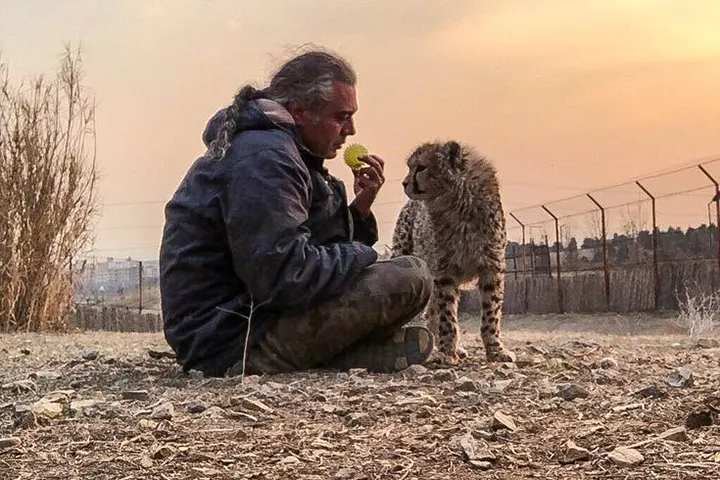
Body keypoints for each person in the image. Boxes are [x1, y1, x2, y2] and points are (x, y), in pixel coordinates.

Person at [159, 48, 434, 377]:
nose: (351, 130)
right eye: (341, 117)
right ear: (301, 111)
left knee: (403, 277)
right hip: (227, 339)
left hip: (227, 325)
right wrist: (363, 254)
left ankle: (340, 355)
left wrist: (359, 211)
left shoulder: (280, 151)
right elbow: (287, 277)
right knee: (410, 278)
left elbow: (309, 247)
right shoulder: (267, 158)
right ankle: (285, 360)